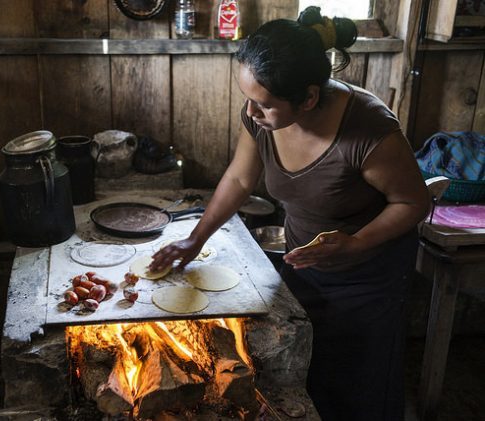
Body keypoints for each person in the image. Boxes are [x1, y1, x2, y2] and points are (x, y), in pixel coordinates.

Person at [150, 6, 430, 421]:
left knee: (358, 384)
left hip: (367, 276)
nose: (250, 113)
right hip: (306, 263)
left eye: (262, 105)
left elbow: (413, 203)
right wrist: (197, 236)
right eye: (246, 99)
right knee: (306, 375)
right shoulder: (260, 115)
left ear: (310, 98)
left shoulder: (369, 131)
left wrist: (355, 245)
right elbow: (240, 180)